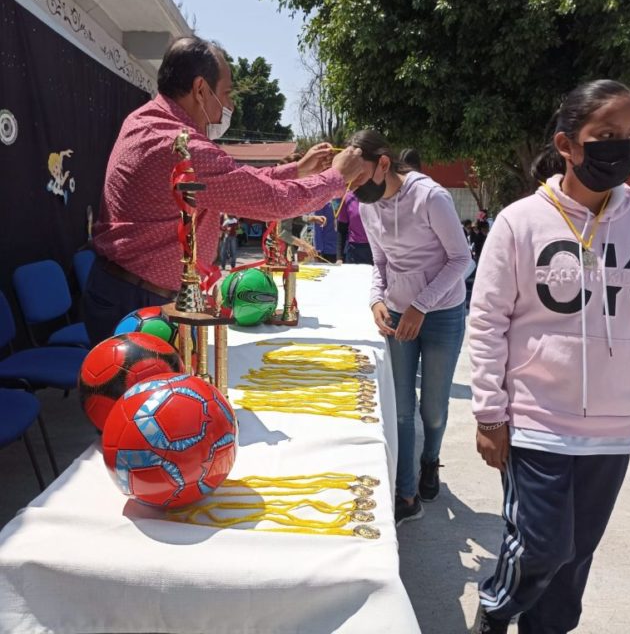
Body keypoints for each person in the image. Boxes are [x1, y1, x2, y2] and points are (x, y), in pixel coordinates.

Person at [469, 80, 630, 634]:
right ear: (567, 145)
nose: (623, 146)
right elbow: (488, 320)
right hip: (537, 421)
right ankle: (497, 606)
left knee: (574, 561)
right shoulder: (519, 222)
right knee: (542, 547)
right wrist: (489, 413)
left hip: (612, 428)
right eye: (607, 134)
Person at [84, 36, 364, 345]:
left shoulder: (144, 121)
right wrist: (337, 178)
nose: (230, 106)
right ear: (200, 89)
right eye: (227, 94)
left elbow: (235, 181)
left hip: (127, 290)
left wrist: (297, 170)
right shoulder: (181, 145)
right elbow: (271, 200)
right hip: (142, 305)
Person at [347, 129, 470, 525]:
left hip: (442, 313)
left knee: (432, 409)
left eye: (359, 177)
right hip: (398, 315)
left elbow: (461, 259)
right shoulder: (367, 206)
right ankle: (406, 495)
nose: (355, 187)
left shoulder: (431, 197)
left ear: (384, 163)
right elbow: (380, 263)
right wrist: (376, 299)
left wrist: (422, 305)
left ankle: (430, 460)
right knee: (401, 410)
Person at [336, 191, 373, 265]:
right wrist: (339, 257)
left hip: (375, 249)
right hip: (354, 251)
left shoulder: (377, 195)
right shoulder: (347, 198)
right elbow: (341, 230)